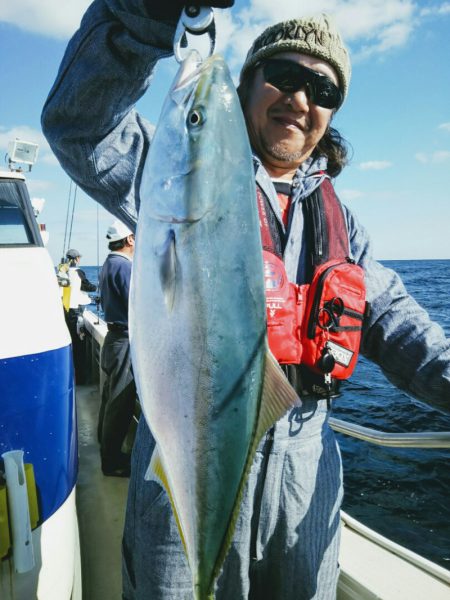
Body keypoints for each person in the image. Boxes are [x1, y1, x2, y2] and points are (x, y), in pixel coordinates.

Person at [41, 2, 450, 598]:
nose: (300, 98)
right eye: (284, 75)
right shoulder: (177, 169)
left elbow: (396, 322)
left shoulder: (342, 224)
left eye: (321, 87)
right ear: (248, 83)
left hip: (306, 473)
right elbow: (79, 123)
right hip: (186, 444)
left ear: (332, 112)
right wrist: (148, 19)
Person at [97, 219, 137, 477]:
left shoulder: (108, 264)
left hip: (114, 340)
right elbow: (138, 305)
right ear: (129, 240)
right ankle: (112, 462)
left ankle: (105, 445)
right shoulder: (124, 267)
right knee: (121, 402)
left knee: (110, 398)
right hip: (124, 343)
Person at [62, 248, 96, 384]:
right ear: (76, 259)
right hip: (77, 313)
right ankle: (81, 379)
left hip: (66, 311)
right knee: (79, 345)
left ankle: (71, 376)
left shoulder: (62, 272)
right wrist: (96, 287)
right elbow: (88, 287)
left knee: (71, 344)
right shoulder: (78, 272)